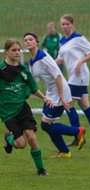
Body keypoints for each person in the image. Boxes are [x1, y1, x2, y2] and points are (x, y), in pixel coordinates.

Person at [24, 32, 86, 158]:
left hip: (59, 92)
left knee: (45, 124)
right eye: (25, 40)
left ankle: (78, 131)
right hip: (51, 93)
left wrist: (62, 97)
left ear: (37, 42)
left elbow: (57, 76)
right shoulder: (32, 61)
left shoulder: (42, 57)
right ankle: (64, 151)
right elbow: (33, 81)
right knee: (47, 125)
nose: (28, 41)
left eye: (30, 39)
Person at [55, 14, 90, 146]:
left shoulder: (79, 38)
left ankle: (77, 136)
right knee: (85, 105)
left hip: (80, 75)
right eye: (63, 24)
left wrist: (80, 62)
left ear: (72, 24)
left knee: (68, 104)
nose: (65, 26)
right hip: (73, 76)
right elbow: (60, 59)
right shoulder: (62, 40)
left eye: (68, 24)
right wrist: (48, 64)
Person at [0, 38, 51, 176]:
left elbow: (34, 88)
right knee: (21, 144)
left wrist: (44, 97)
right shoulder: (1, 70)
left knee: (32, 137)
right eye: (14, 50)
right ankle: (9, 139)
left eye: (18, 50)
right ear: (6, 52)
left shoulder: (23, 70)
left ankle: (41, 169)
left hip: (23, 108)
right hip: (8, 112)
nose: (17, 53)